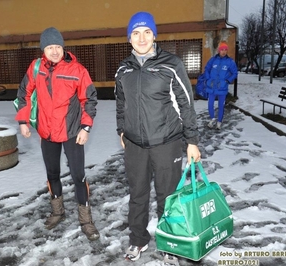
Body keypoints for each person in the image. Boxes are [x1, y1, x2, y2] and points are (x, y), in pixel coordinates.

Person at [114, 11, 201, 262]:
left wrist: (192, 141)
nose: (142, 38)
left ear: (154, 35)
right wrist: (121, 130)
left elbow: (186, 104)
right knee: (137, 195)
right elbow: (121, 103)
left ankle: (168, 242)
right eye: (136, 33)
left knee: (168, 197)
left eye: (147, 32)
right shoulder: (123, 70)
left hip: (167, 143)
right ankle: (137, 240)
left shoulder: (171, 64)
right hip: (135, 146)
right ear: (129, 38)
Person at [15, 27, 99, 241]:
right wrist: (23, 121)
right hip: (47, 132)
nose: (54, 51)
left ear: (63, 48)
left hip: (72, 132)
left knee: (78, 176)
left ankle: (86, 220)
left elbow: (89, 99)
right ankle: (57, 212)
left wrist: (85, 127)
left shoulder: (77, 70)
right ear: (43, 49)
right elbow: (24, 92)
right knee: (52, 174)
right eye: (50, 47)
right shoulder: (36, 68)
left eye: (58, 47)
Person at [204, 41, 238, 130]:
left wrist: (228, 80)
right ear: (219, 50)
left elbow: (234, 73)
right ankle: (212, 119)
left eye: (225, 50)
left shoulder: (230, 62)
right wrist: (208, 79)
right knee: (210, 104)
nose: (223, 51)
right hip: (212, 87)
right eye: (222, 49)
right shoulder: (213, 60)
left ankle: (219, 121)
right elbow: (207, 68)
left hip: (222, 87)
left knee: (221, 106)